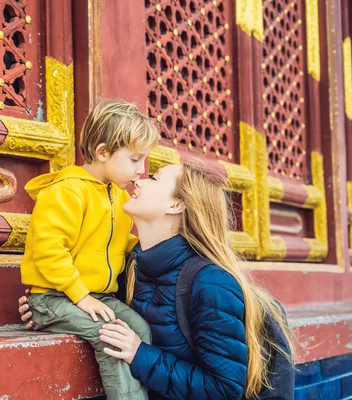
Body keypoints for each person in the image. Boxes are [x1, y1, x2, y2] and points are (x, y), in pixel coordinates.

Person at [20, 163, 295, 399]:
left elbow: (223, 388)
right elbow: (94, 305)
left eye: (154, 178)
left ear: (175, 205)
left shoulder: (211, 284)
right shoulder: (126, 269)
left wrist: (140, 354)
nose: (138, 179)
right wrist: (51, 305)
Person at [20, 100, 160, 400]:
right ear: (102, 152)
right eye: (135, 160)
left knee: (141, 330)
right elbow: (49, 249)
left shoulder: (119, 198)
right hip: (53, 298)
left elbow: (121, 245)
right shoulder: (68, 191)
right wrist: (80, 295)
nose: (141, 170)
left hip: (96, 297)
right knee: (110, 335)